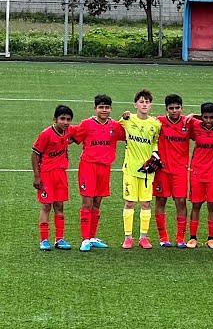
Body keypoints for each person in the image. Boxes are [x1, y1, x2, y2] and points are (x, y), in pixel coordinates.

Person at [69, 95, 126, 252]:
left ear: (111, 109)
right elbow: (71, 137)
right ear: (95, 109)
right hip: (88, 167)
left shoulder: (115, 126)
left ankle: (92, 237)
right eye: (101, 107)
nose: (104, 110)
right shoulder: (86, 124)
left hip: (105, 168)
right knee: (87, 202)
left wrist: (127, 118)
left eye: (107, 107)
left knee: (97, 203)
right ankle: (85, 239)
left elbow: (130, 134)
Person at [119, 89, 162, 249]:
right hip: (130, 169)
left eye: (147, 102)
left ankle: (143, 237)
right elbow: (117, 125)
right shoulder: (127, 120)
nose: (144, 104)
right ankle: (128, 237)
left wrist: (155, 157)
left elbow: (156, 143)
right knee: (129, 203)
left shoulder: (156, 124)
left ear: (151, 105)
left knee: (145, 204)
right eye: (141, 102)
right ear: (135, 104)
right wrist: (124, 115)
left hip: (147, 171)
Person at [32, 105, 74, 251]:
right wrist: (37, 176)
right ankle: (44, 240)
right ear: (55, 119)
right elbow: (35, 154)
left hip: (61, 174)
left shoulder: (68, 132)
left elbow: (79, 134)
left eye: (68, 119)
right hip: (46, 175)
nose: (65, 122)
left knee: (59, 206)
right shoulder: (46, 134)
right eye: (62, 119)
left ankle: (59, 239)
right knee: (46, 206)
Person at [186, 102, 213, 249]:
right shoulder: (195, 126)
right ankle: (192, 238)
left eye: (212, 118)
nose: (208, 121)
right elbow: (183, 120)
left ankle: (211, 238)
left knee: (212, 205)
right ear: (201, 117)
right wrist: (194, 116)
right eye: (205, 117)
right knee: (196, 205)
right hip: (197, 172)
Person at [153, 94, 191, 249]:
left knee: (180, 201)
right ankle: (163, 237)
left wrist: (194, 115)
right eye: (171, 108)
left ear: (181, 108)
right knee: (161, 200)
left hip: (180, 170)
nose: (174, 111)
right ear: (166, 109)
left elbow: (209, 121)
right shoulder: (159, 122)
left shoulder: (189, 123)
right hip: (162, 170)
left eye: (177, 108)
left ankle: (180, 238)